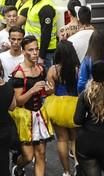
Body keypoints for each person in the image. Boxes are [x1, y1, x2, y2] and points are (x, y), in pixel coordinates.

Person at [10, 35, 53, 176]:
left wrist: (48, 90)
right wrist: (33, 89)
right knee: (28, 156)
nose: (35, 53)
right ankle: (18, 164)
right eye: (31, 50)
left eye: (36, 49)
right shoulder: (19, 73)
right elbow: (18, 101)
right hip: (24, 117)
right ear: (23, 52)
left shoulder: (41, 69)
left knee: (41, 154)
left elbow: (44, 93)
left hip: (39, 114)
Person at [44, 41, 79, 176]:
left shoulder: (53, 69)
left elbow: (49, 91)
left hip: (57, 106)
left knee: (62, 139)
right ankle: (77, 164)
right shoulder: (77, 68)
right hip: (74, 106)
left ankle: (66, 172)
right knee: (75, 139)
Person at [25, 0, 57, 69]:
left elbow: (46, 34)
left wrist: (41, 56)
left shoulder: (46, 8)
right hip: (34, 47)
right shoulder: (34, 0)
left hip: (45, 52)